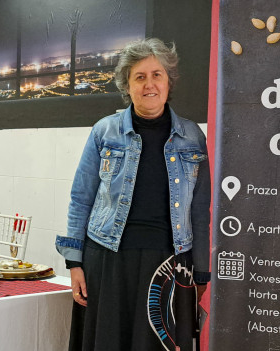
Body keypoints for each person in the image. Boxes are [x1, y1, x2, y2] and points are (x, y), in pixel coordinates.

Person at [55, 38, 211, 351]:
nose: (149, 84)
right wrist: (75, 263)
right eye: (139, 77)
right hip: (108, 261)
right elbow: (81, 198)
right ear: (127, 85)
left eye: (157, 75)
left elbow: (200, 209)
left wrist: (202, 270)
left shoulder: (192, 136)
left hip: (169, 261)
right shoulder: (104, 131)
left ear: (169, 81)